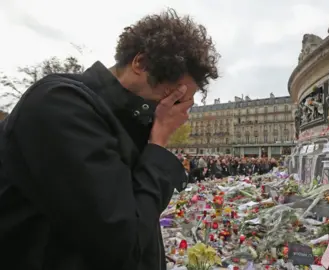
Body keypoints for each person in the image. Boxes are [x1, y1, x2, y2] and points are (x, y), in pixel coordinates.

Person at [0, 9, 219, 270]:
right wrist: (158, 143)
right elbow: (122, 242)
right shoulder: (61, 105)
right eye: (175, 96)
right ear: (141, 64)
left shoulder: (124, 121)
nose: (180, 112)